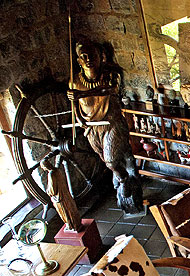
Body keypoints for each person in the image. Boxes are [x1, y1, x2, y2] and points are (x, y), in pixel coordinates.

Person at [67, 39, 143, 214]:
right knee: (108, 159)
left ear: (99, 56)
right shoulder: (75, 82)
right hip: (92, 127)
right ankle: (124, 183)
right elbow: (75, 106)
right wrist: (79, 120)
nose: (88, 59)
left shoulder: (110, 74)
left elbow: (108, 90)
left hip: (112, 123)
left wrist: (82, 94)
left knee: (111, 160)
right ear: (78, 61)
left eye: (91, 55)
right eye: (83, 56)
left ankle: (124, 179)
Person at [40, 158, 82, 232]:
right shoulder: (57, 170)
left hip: (59, 197)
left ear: (45, 167)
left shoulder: (51, 174)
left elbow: (53, 190)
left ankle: (71, 225)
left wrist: (48, 191)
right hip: (64, 193)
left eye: (43, 167)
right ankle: (76, 223)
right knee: (70, 208)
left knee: (65, 212)